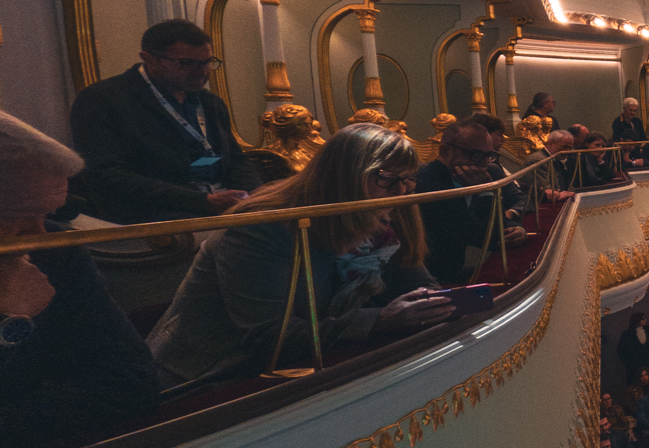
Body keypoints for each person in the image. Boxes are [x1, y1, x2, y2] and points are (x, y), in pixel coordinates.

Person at [146, 122, 449, 387]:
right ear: (344, 175)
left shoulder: (379, 218)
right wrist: (380, 320)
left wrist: (431, 304)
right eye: (386, 177)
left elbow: (418, 282)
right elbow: (270, 337)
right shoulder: (260, 227)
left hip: (298, 365)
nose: (402, 191)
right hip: (208, 377)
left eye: (408, 179)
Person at [0, 112, 161, 448]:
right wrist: (11, 324)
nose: (39, 235)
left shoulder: (57, 250)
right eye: (21, 215)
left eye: (47, 214)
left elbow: (131, 383)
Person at [68, 19, 262, 223]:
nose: (202, 71)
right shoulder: (103, 100)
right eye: (186, 63)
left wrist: (254, 195)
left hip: (222, 205)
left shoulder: (208, 101)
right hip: (159, 214)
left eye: (206, 62)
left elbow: (235, 159)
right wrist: (201, 200)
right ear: (149, 59)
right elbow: (105, 175)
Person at [415, 117, 528, 285]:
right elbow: (487, 238)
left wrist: (516, 229)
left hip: (452, 269)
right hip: (429, 280)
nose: (483, 163)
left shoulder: (482, 173)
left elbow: (500, 224)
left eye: (488, 156)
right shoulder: (429, 183)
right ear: (446, 152)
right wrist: (486, 192)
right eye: (475, 155)